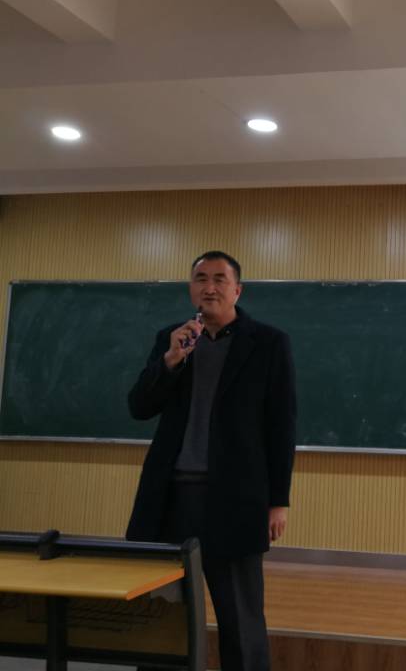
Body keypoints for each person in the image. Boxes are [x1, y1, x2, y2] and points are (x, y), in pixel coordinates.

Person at [126, 251, 296, 671]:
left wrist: (278, 501)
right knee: (162, 614)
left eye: (220, 279)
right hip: (169, 499)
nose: (210, 287)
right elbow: (139, 407)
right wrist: (170, 361)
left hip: (235, 499)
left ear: (237, 290)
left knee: (241, 619)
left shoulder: (268, 343)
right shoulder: (172, 339)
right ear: (191, 289)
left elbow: (281, 426)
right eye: (201, 278)